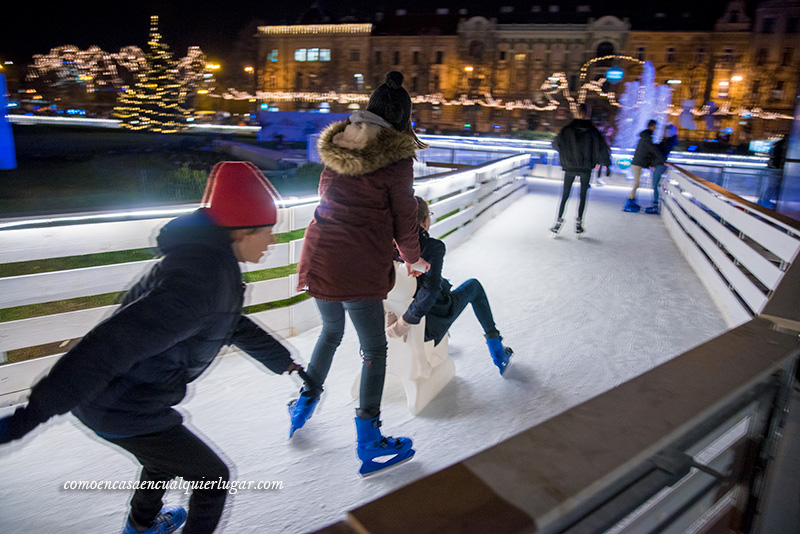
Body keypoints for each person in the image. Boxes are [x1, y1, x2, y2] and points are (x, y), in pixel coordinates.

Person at [0, 161, 303, 534]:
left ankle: (141, 526)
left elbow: (229, 322)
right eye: (268, 231)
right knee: (213, 479)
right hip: (120, 404)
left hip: (130, 397)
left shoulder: (209, 263)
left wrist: (282, 361)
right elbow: (112, 344)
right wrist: (31, 414)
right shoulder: (201, 280)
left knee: (161, 459)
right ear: (241, 231)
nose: (272, 241)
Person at [290, 71, 430, 477]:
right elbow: (406, 218)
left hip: (320, 255)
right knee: (374, 350)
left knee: (330, 333)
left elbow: (327, 196)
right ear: (404, 118)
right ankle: (369, 440)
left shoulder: (341, 143)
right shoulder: (397, 158)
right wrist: (413, 258)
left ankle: (303, 404)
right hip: (358, 261)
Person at [385, 197, 513, 375]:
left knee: (441, 285)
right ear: (426, 220)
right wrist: (404, 323)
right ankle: (498, 352)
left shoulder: (387, 245)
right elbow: (430, 291)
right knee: (473, 286)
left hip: (390, 321)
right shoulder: (433, 247)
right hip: (426, 325)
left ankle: (448, 336)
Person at [550, 103, 611, 237]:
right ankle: (579, 224)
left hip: (570, 166)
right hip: (585, 168)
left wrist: (567, 154)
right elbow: (602, 148)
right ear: (588, 114)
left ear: (576, 113)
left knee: (565, 196)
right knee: (582, 197)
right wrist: (606, 164)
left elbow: (555, 144)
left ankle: (558, 223)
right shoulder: (594, 131)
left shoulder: (567, 129)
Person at [624, 119, 665, 212]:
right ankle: (630, 199)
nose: (655, 129)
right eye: (654, 127)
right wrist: (662, 160)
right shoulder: (647, 138)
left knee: (637, 183)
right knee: (636, 183)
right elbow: (652, 150)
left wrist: (649, 164)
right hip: (637, 164)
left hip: (638, 163)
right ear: (651, 126)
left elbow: (646, 153)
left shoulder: (646, 137)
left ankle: (631, 200)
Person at [646, 124, 678, 214]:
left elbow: (661, 154)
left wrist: (653, 147)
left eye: (666, 130)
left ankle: (656, 205)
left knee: (656, 185)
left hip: (659, 165)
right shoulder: (667, 141)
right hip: (659, 164)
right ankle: (656, 204)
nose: (664, 132)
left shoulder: (669, 142)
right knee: (656, 185)